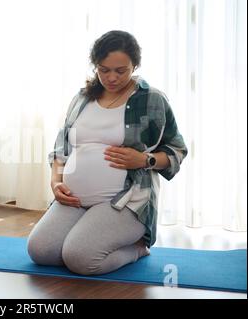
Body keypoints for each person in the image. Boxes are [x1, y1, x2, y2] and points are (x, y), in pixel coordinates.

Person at [27, 30, 188, 275]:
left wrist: (146, 159)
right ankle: (86, 231)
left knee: (79, 258)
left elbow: (177, 148)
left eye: (120, 70)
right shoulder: (82, 98)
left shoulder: (152, 99)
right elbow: (62, 148)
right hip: (75, 199)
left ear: (135, 65)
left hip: (126, 200)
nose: (111, 77)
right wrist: (56, 181)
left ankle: (137, 248)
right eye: (103, 70)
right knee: (40, 251)